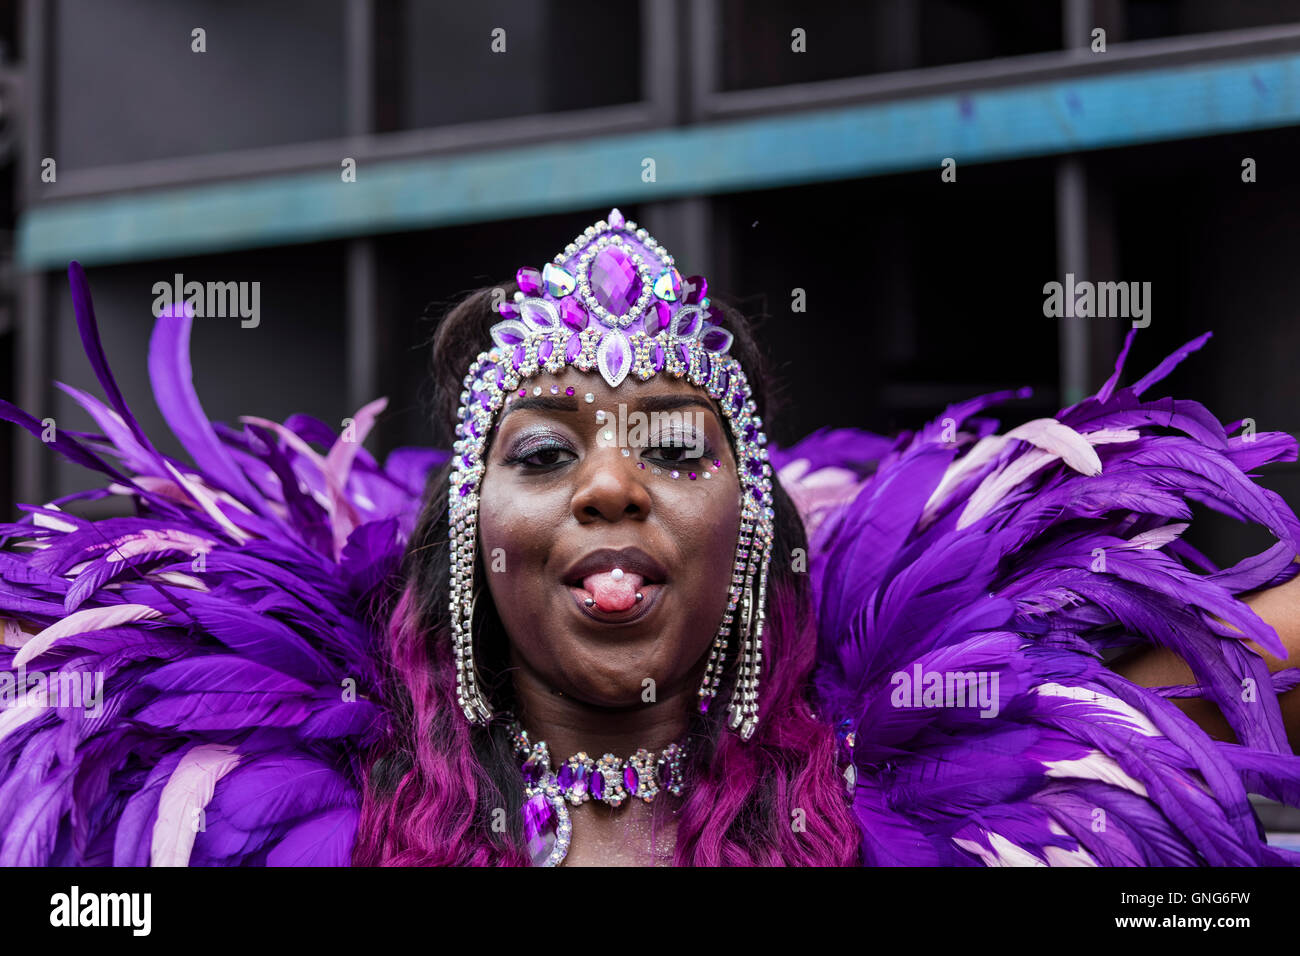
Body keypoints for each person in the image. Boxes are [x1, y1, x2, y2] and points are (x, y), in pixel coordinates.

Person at [3, 209, 1300, 867]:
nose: (612, 486)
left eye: (675, 448)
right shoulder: (300, 806)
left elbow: (1251, 660)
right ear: (471, 538)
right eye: (546, 453)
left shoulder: (923, 789)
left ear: (751, 529)